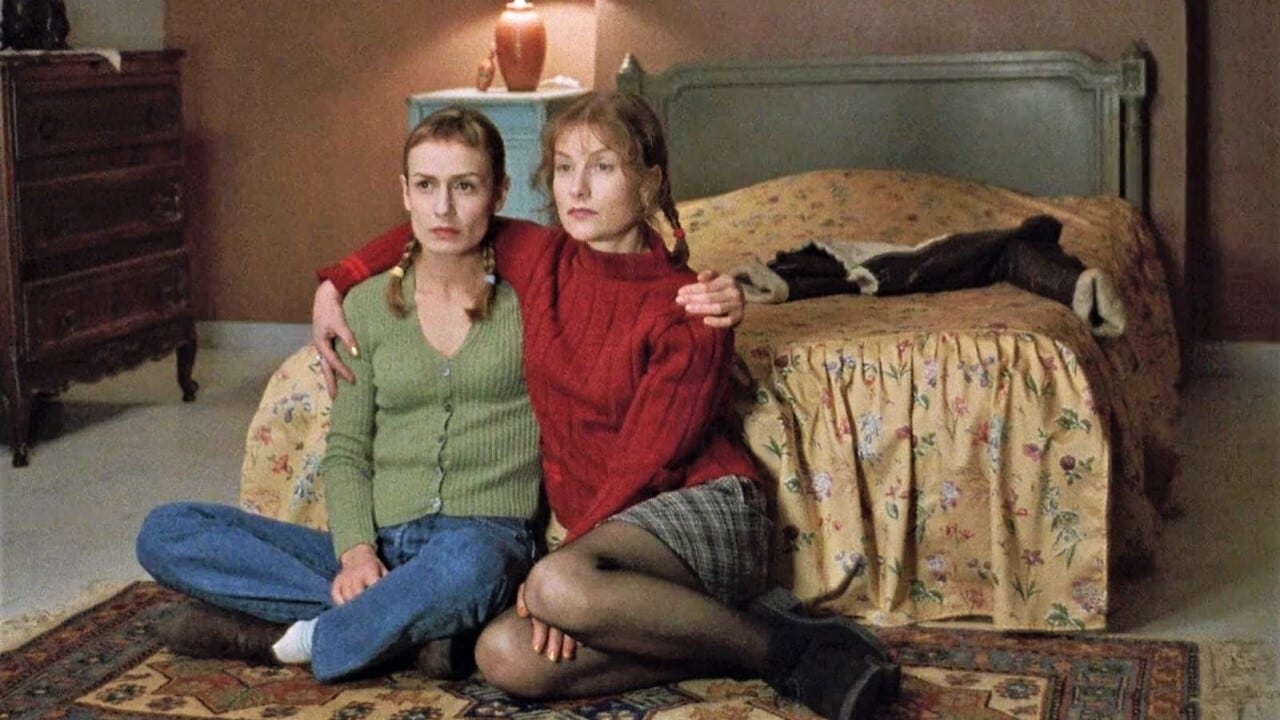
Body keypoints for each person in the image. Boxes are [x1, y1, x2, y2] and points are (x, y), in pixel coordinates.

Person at [314, 91, 900, 720]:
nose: (578, 188)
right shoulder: (543, 258)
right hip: (600, 545)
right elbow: (446, 224)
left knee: (554, 585)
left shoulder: (690, 306)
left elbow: (645, 465)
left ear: (648, 182)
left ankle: (789, 653)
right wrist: (334, 283)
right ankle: (737, 640)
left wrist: (569, 563)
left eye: (602, 167)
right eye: (565, 168)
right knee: (503, 655)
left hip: (699, 509)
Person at [135, 107, 547, 683]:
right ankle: (417, 630)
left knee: (470, 565)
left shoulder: (536, 302)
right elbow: (348, 449)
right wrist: (356, 552)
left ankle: (299, 638)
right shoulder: (367, 306)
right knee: (166, 530)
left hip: (484, 540)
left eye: (465, 187)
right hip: (383, 544)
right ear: (404, 193)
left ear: (498, 192)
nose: (443, 208)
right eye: (426, 185)